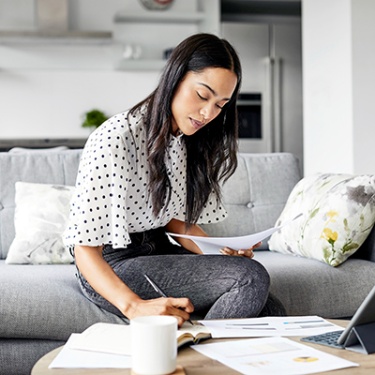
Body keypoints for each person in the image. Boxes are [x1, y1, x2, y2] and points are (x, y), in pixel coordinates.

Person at [64, 33, 285, 327]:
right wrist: (134, 307)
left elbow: (176, 222)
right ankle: (194, 359)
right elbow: (85, 249)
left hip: (157, 250)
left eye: (221, 105)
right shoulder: (116, 137)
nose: (209, 113)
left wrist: (223, 252)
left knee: (271, 309)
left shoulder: (185, 139)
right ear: (175, 78)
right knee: (251, 278)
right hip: (110, 266)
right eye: (202, 95)